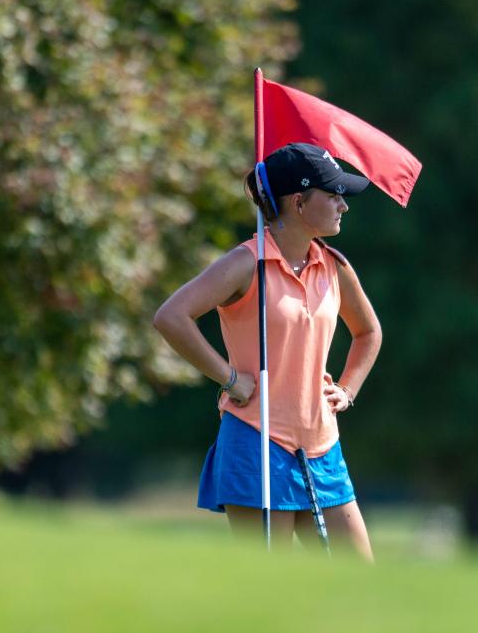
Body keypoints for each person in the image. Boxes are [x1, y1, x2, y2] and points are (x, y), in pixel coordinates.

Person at [153, 142, 381, 561]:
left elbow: (368, 332)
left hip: (322, 445)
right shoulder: (246, 262)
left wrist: (346, 390)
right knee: (272, 585)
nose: (342, 206)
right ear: (298, 201)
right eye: (332, 195)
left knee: (359, 579)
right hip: (257, 440)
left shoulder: (335, 265)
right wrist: (229, 378)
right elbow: (172, 317)